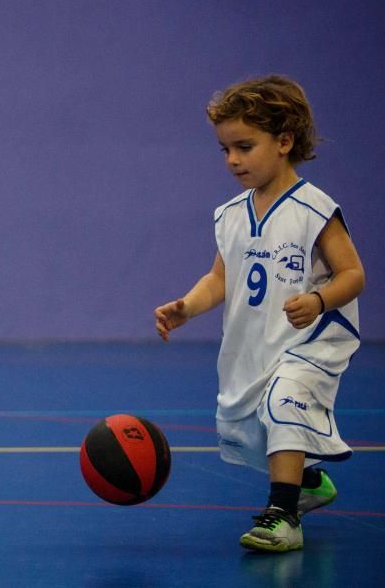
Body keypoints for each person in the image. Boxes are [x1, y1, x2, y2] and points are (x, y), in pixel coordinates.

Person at [154, 75, 364, 553]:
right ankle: (308, 482)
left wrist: (319, 300)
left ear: (284, 141)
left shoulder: (314, 209)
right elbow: (220, 279)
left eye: (244, 147)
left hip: (313, 342)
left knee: (284, 401)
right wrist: (187, 307)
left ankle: (283, 516)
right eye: (225, 149)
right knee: (245, 430)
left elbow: (353, 274)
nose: (232, 160)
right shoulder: (230, 214)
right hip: (255, 342)